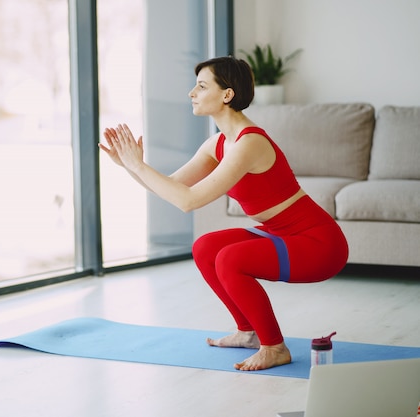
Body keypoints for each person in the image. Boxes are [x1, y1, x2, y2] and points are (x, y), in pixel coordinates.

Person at [99, 56, 349, 371]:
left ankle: (274, 347)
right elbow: (172, 186)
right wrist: (130, 166)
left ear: (227, 95)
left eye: (201, 86)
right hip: (281, 232)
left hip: (319, 244)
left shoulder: (250, 143)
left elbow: (187, 201)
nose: (192, 93)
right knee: (205, 248)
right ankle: (248, 333)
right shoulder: (218, 143)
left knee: (230, 259)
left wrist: (138, 166)